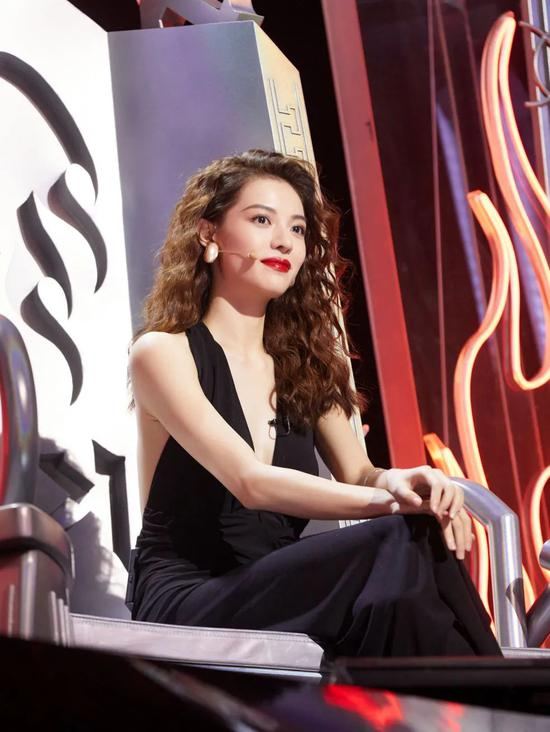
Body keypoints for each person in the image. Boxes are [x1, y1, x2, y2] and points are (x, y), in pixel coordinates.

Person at [127, 149, 501, 658]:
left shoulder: (310, 365)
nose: (284, 240)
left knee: (407, 564)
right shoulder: (161, 353)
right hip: (189, 595)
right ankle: (492, 686)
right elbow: (250, 482)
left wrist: (402, 482)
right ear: (209, 233)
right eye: (262, 220)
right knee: (398, 538)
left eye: (298, 229)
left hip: (279, 586)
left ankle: (474, 688)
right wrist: (397, 504)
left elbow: (361, 474)